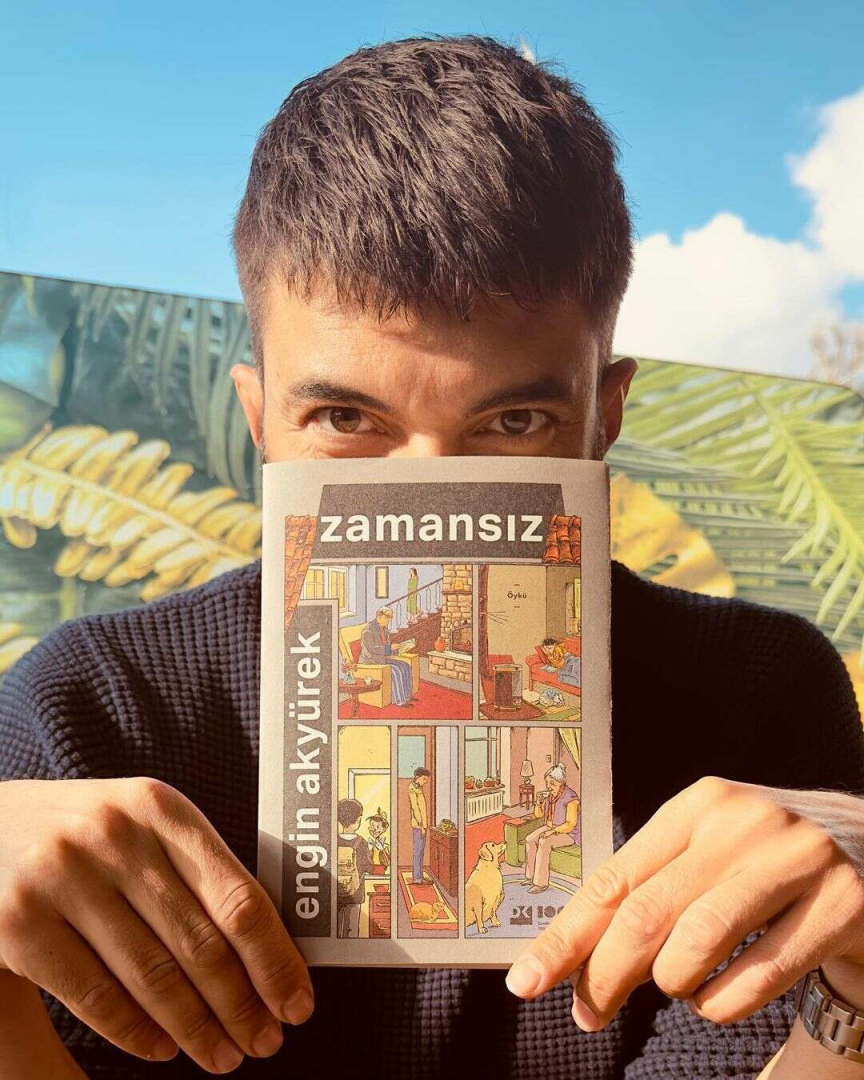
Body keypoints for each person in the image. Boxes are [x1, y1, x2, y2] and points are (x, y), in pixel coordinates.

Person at [0, 33, 862, 1080]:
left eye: (513, 422)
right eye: (344, 418)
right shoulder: (91, 708)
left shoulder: (758, 692)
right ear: (260, 418)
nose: (430, 487)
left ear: (606, 413)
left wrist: (848, 994)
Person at [521, 764, 581, 893]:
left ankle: (540, 883)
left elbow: (570, 824)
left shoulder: (571, 797)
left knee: (544, 842)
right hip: (550, 827)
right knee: (529, 839)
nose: (549, 786)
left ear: (561, 783)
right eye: (547, 783)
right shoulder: (550, 795)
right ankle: (530, 877)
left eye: (552, 783)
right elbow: (539, 815)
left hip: (568, 833)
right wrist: (538, 802)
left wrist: (552, 832)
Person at [359, 607, 414, 706]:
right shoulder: (368, 630)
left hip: (382, 658)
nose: (388, 621)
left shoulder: (384, 629)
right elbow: (372, 649)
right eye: (386, 618)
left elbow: (387, 647)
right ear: (379, 617)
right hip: (371, 660)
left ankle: (407, 695)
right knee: (396, 671)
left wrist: (399, 649)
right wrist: (390, 648)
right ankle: (399, 700)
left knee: (405, 665)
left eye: (389, 619)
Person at [336, 799, 375, 939]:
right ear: (358, 820)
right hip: (355, 893)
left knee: (336, 925)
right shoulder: (361, 843)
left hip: (337, 891)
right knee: (352, 927)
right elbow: (369, 867)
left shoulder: (333, 840)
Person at [408, 767, 432, 885]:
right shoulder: (412, 789)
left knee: (420, 851)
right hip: (418, 825)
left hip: (422, 825)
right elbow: (415, 808)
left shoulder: (418, 788)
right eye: (424, 779)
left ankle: (419, 876)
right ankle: (417, 878)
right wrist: (422, 826)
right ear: (417, 777)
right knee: (418, 851)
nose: (425, 781)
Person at [366, 809, 391, 875]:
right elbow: (365, 861)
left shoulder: (385, 846)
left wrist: (382, 850)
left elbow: (388, 862)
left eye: (378, 827)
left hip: (380, 868)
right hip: (370, 869)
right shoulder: (369, 844)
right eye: (372, 826)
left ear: (384, 829)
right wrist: (369, 850)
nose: (374, 829)